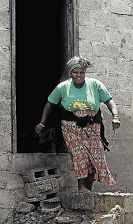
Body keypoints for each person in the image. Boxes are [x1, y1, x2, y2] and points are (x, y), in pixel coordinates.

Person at [35, 56, 120, 193]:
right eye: (76, 72)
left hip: (92, 126)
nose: (78, 75)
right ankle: (81, 187)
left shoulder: (95, 85)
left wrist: (115, 117)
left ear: (85, 73)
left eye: (81, 72)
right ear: (71, 73)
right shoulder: (63, 87)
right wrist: (42, 123)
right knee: (79, 154)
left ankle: (88, 190)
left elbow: (109, 101)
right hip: (71, 127)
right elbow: (49, 104)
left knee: (94, 156)